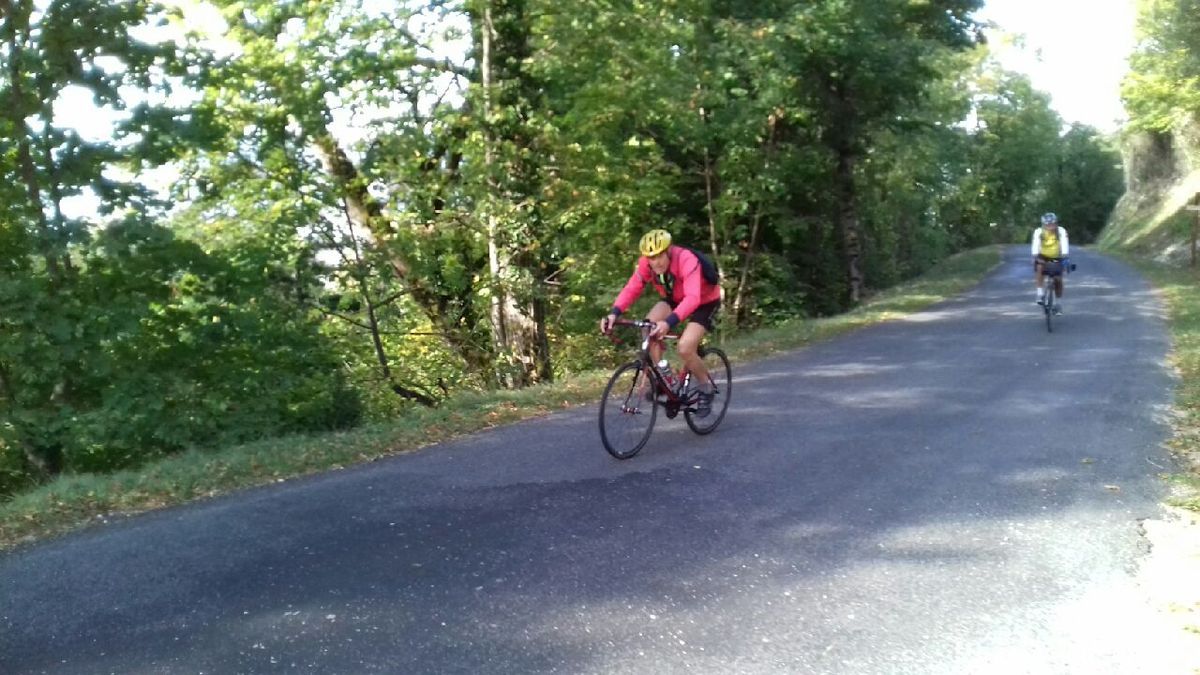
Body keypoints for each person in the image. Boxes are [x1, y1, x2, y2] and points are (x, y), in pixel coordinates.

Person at [600, 229, 722, 417]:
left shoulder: (686, 260)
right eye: (650, 257)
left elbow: (693, 298)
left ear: (669, 251)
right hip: (674, 298)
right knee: (648, 328)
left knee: (685, 347)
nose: (655, 262)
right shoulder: (646, 265)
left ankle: (706, 388)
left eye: (659, 256)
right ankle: (666, 379)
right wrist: (614, 313)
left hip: (704, 301)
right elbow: (632, 288)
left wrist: (668, 322)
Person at [1031, 212, 1070, 315]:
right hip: (1043, 256)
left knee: (1058, 279)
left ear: (1056, 223)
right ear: (1043, 225)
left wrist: (1065, 258)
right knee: (1040, 267)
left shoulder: (1061, 231)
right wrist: (1035, 256)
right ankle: (1040, 294)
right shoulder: (1039, 232)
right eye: (1048, 225)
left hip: (1056, 258)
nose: (1051, 227)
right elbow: (1035, 246)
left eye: (1053, 224)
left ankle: (1058, 304)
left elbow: (1065, 246)